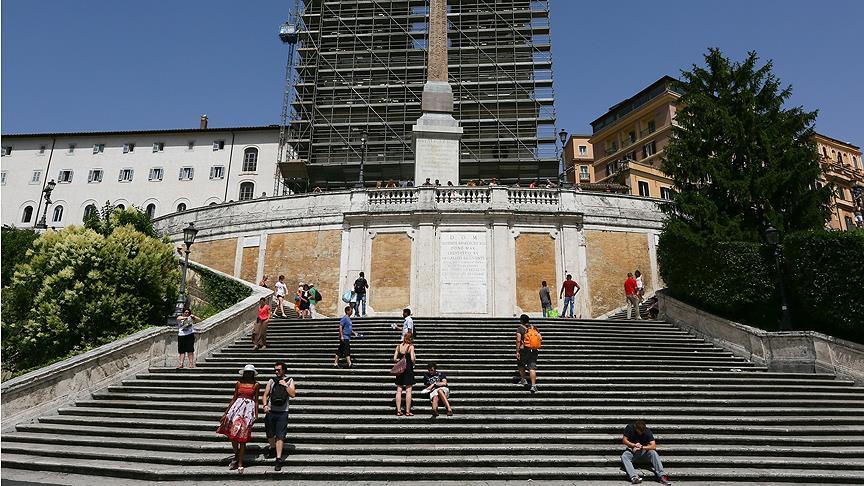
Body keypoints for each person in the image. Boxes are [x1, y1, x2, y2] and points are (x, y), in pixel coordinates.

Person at [217, 364, 260, 474]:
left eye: (250, 372)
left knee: (243, 437)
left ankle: (240, 462)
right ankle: (236, 454)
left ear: (253, 374)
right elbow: (234, 398)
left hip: (248, 411)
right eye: (247, 372)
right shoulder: (238, 383)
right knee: (233, 434)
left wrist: (256, 414)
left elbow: (256, 400)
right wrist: (226, 413)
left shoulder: (256, 385)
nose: (248, 374)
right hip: (236, 409)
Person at [262, 361, 296, 471]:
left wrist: (285, 385)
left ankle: (278, 459)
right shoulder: (271, 380)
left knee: (280, 435)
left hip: (283, 412)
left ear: (284, 370)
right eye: (275, 369)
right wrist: (265, 405)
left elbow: (293, 394)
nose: (276, 371)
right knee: (270, 434)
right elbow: (265, 395)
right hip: (271, 411)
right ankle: (273, 448)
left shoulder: (290, 380)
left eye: (278, 370)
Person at [621, 420, 671, 485]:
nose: (641, 433)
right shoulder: (630, 427)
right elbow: (624, 440)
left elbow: (653, 446)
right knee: (624, 456)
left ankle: (662, 476)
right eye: (639, 431)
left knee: (653, 453)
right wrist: (634, 445)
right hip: (632, 451)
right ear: (636, 428)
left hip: (643, 452)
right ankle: (634, 477)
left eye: (642, 431)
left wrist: (642, 447)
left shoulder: (647, 431)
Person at [515, 314, 540, 393]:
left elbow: (518, 340)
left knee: (521, 364)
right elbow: (540, 338)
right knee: (532, 368)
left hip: (524, 350)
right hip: (534, 350)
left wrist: (517, 351)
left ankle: (523, 379)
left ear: (521, 321)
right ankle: (533, 385)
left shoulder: (520, 329)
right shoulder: (534, 328)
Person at [393, 331, 416, 416]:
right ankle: (407, 411)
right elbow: (412, 358)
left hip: (400, 370)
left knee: (399, 390)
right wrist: (414, 363)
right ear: (410, 338)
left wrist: (400, 361)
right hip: (408, 369)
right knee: (408, 390)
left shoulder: (398, 346)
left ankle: (398, 410)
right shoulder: (411, 347)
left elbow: (394, 358)